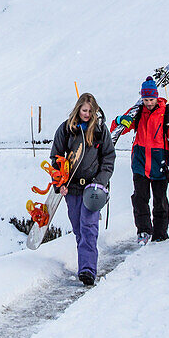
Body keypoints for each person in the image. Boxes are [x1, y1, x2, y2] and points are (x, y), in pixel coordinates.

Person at [51, 93, 116, 285]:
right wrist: (59, 183)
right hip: (71, 188)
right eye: (84, 110)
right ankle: (85, 261)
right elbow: (56, 156)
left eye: (90, 111)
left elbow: (108, 158)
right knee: (79, 228)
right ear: (78, 109)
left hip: (92, 189)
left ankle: (87, 270)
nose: (87, 114)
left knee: (88, 228)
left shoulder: (99, 130)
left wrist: (100, 181)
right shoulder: (66, 129)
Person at [115, 77, 169, 246]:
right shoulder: (137, 111)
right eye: (145, 99)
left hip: (160, 162)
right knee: (140, 198)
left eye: (151, 99)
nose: (149, 103)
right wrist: (119, 120)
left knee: (160, 199)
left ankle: (160, 233)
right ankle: (143, 230)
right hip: (140, 161)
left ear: (156, 96)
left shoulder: (167, 112)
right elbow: (117, 129)